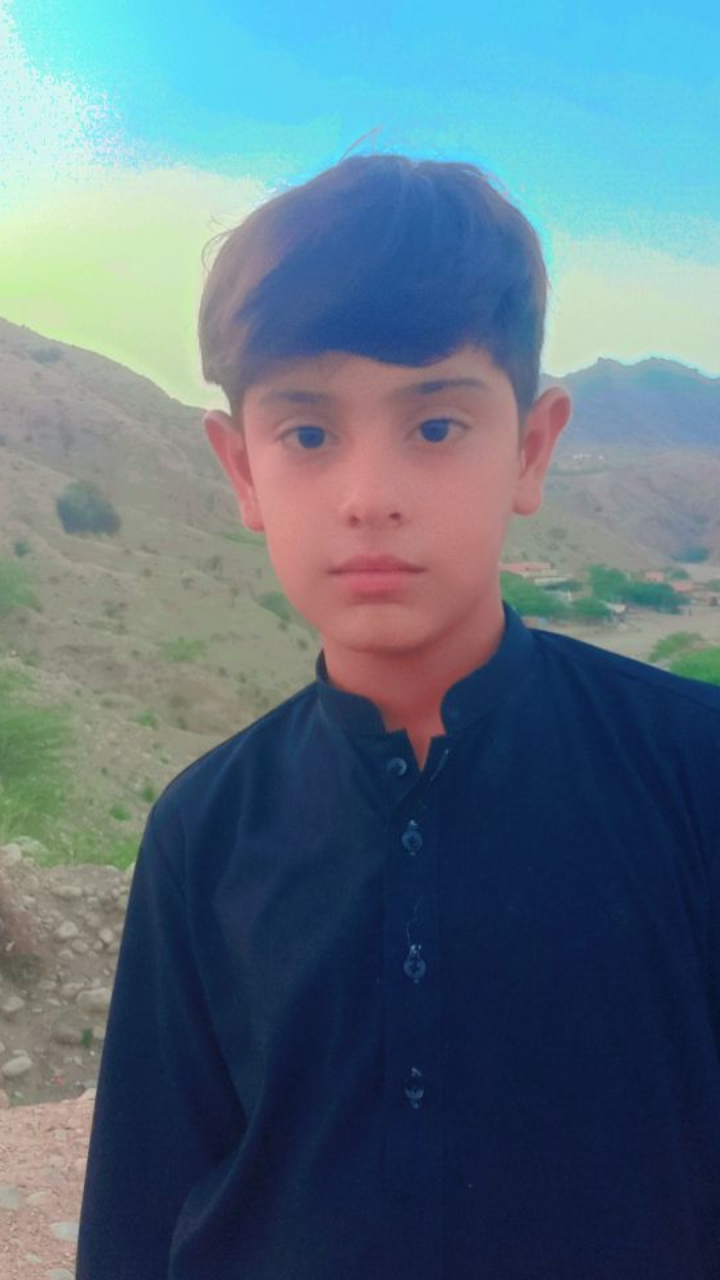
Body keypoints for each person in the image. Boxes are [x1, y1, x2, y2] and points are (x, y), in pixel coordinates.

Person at [75, 152, 720, 1280]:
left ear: (531, 448)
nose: (368, 496)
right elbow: (139, 1208)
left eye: (434, 427)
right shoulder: (204, 831)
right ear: (241, 470)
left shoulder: (692, 768)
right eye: (308, 434)